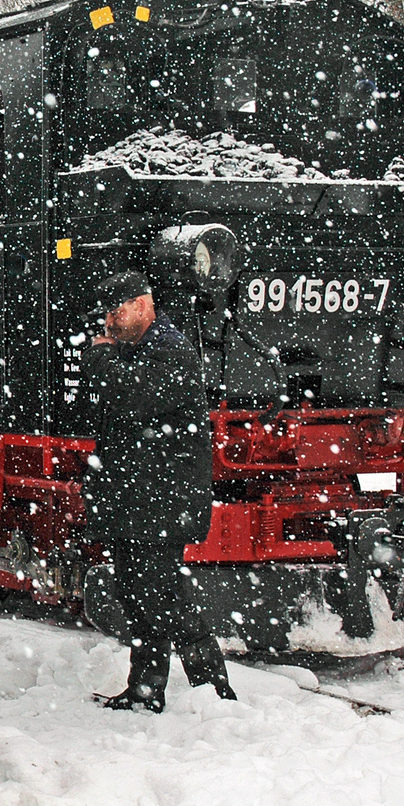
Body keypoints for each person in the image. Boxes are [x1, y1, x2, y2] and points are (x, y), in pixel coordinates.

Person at [81, 270, 236, 712]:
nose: (109, 322)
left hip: (160, 504)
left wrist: (101, 360)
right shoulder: (139, 350)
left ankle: (213, 690)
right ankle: (146, 690)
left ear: (143, 305)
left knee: (163, 595)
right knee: (138, 596)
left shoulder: (171, 351)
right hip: (139, 501)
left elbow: (130, 397)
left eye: (116, 311)